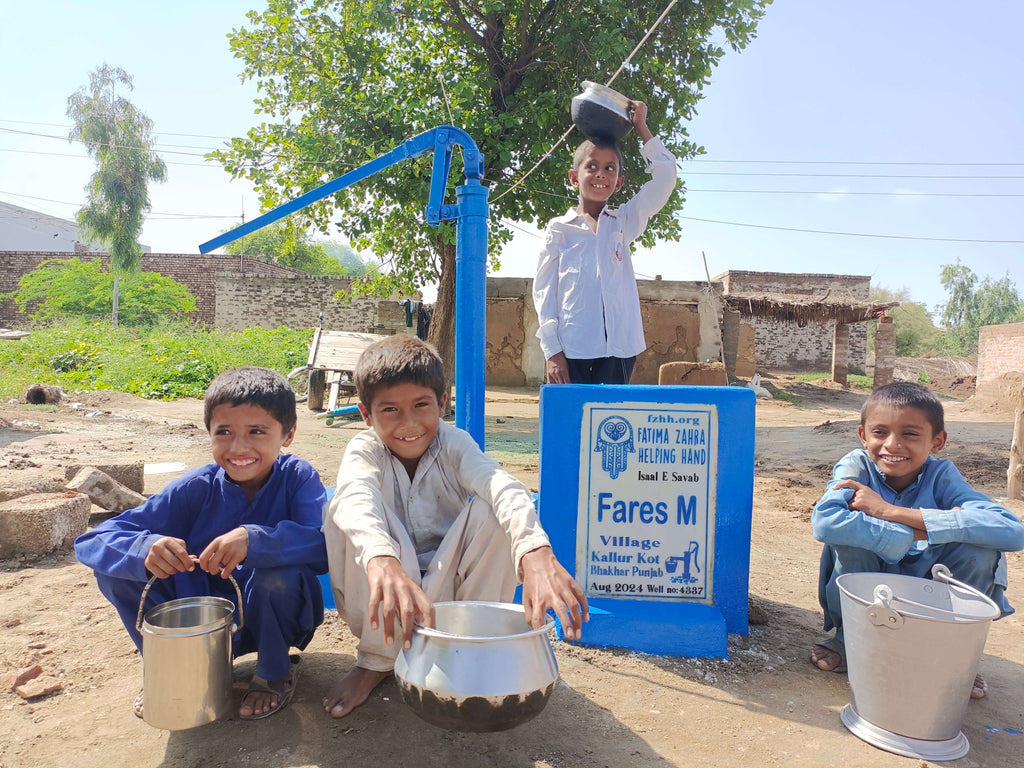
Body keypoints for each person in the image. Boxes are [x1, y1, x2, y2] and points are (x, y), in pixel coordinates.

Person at [321, 335, 587, 718]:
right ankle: (376, 662)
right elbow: (355, 497)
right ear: (366, 414)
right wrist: (382, 558)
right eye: (390, 410)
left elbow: (500, 484)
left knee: (495, 510)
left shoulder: (455, 443)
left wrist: (535, 550)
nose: (409, 423)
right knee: (343, 510)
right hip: (382, 590)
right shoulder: (364, 450)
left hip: (449, 600)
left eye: (421, 406)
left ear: (442, 403)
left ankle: (468, 646)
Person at [75, 366, 329, 720]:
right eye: (224, 432)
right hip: (197, 621)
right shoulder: (195, 487)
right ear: (209, 432)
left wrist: (257, 541)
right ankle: (170, 668)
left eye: (257, 431)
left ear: (288, 434)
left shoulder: (299, 478)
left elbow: (325, 546)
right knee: (118, 571)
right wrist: (144, 548)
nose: (238, 447)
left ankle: (274, 671)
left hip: (269, 615)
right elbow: (92, 541)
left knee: (279, 577)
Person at [810, 381, 1024, 698]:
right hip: (873, 578)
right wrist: (915, 534)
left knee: (981, 550)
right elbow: (826, 522)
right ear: (863, 435)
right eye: (880, 432)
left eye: (910, 434)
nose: (893, 445)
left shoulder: (942, 475)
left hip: (927, 588)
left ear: (937, 441)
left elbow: (1010, 529)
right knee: (851, 540)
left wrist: (889, 511)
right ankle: (850, 639)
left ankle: (953, 656)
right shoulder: (856, 466)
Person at [533, 97, 678, 385]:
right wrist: (552, 351)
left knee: (610, 424)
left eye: (610, 168)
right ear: (575, 177)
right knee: (571, 425)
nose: (601, 174)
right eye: (592, 167)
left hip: (620, 350)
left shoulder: (625, 221)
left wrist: (641, 126)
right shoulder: (559, 229)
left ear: (619, 182)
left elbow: (666, 177)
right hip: (571, 350)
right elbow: (544, 293)